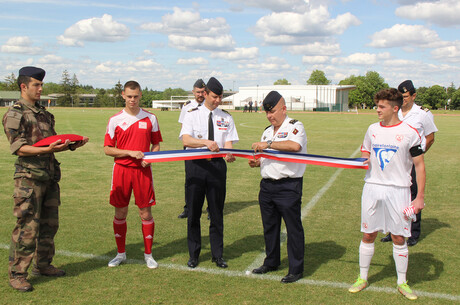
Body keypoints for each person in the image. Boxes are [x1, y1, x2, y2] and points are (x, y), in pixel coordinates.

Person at [2, 66, 89, 292]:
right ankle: (17, 273)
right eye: (36, 85)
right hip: (28, 179)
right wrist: (47, 149)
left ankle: (43, 265)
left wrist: (69, 146)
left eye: (41, 85)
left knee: (50, 225)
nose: (41, 89)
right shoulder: (15, 113)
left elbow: (49, 145)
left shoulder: (43, 113)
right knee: (27, 226)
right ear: (23, 87)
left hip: (49, 176)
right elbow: (19, 148)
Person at [348, 88, 425, 300]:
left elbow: (419, 166)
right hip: (372, 187)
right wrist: (364, 158)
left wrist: (419, 198)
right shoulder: (372, 129)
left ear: (395, 108)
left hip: (399, 190)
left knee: (399, 237)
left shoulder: (410, 132)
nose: (377, 109)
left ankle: (402, 282)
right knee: (368, 234)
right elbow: (366, 150)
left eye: (382, 106)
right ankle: (362, 278)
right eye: (377, 105)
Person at [179, 77, 238, 269]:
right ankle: (194, 255)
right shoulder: (191, 113)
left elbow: (228, 143)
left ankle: (217, 255)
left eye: (220, 97)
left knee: (216, 213)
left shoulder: (226, 117)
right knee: (194, 213)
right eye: (214, 96)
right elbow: (186, 140)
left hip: (217, 169)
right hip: (196, 167)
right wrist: (205, 142)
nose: (218, 100)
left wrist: (229, 154)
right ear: (205, 94)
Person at [248, 91, 307, 284]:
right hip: (267, 186)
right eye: (267, 113)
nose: (269, 116)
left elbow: (294, 146)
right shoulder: (267, 130)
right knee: (270, 227)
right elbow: (267, 156)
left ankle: (296, 269)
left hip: (288, 186)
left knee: (293, 228)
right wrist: (256, 163)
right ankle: (271, 261)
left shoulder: (295, 126)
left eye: (272, 111)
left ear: (283, 109)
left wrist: (269, 144)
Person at [104, 81, 163, 269]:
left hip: (143, 172)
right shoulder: (115, 120)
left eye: (136, 96)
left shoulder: (150, 118)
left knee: (145, 212)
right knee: (120, 211)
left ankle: (148, 255)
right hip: (121, 170)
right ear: (123, 95)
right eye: (129, 96)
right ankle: (120, 253)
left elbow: (156, 144)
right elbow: (107, 149)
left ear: (141, 95)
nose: (132, 100)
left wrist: (151, 157)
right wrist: (130, 152)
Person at [381, 80, 437, 246]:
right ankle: (393, 231)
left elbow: (430, 137)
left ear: (413, 96)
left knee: (412, 196)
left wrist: (418, 155)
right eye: (400, 97)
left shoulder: (422, 114)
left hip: (411, 161)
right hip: (393, 160)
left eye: (405, 96)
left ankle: (413, 233)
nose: (403, 99)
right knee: (391, 194)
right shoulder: (394, 111)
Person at [177, 79, 206, 219]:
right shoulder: (187, 106)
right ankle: (188, 208)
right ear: (193, 92)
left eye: (202, 92)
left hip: (207, 149)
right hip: (191, 148)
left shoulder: (210, 105)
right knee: (190, 179)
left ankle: (211, 210)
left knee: (209, 179)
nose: (200, 94)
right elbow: (183, 127)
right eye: (198, 92)